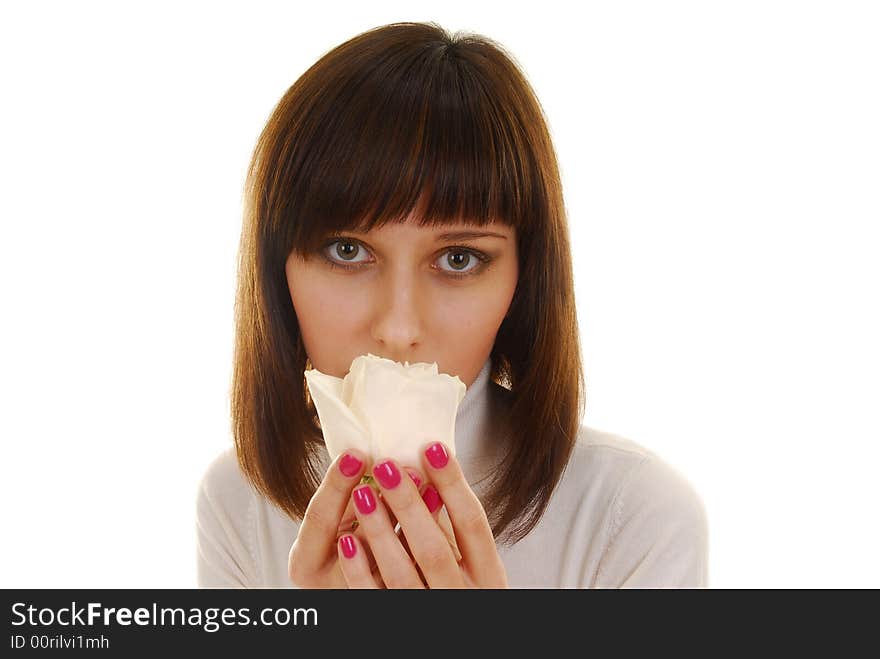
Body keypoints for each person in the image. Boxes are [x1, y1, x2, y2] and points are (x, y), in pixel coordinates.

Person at [196, 21, 709, 588]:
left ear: (525, 277)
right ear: (276, 271)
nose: (397, 328)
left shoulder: (634, 519)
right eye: (348, 250)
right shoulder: (238, 505)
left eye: (459, 259)